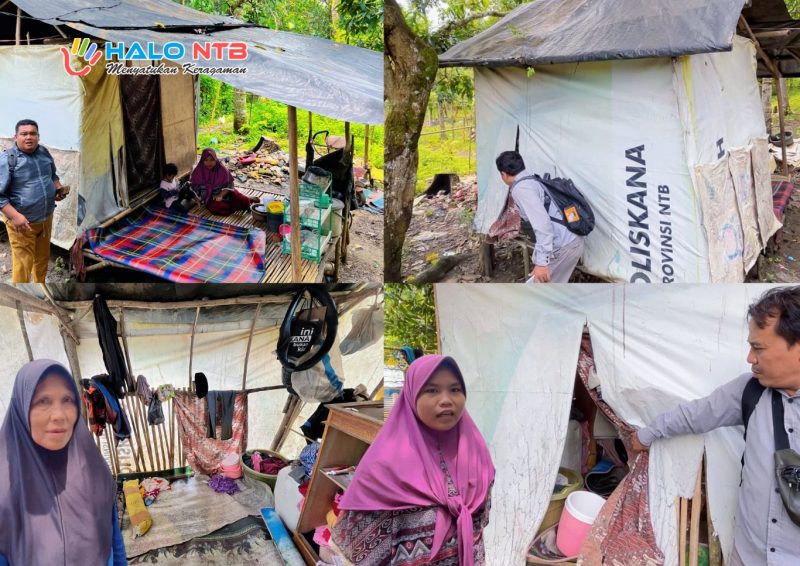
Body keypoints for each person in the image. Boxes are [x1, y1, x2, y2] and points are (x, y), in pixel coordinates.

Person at [630, 287, 800, 565]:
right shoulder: (751, 392)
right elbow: (696, 413)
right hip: (749, 556)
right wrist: (645, 435)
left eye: (759, 348)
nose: (749, 358)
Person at [331, 355, 495, 565]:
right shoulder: (384, 467)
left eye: (455, 389)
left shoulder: (477, 457)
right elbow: (355, 547)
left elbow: (479, 524)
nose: (446, 399)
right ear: (412, 395)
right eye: (432, 390)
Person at [0, 359, 126, 566]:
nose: (58, 415)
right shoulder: (6, 487)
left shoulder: (92, 471)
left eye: (67, 399)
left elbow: (115, 543)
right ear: (21, 408)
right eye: (43, 401)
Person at [495, 151, 585, 283]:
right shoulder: (532, 180)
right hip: (571, 240)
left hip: (564, 245)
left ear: (503, 174)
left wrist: (542, 263)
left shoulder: (521, 188)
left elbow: (543, 224)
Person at [0, 119, 68, 283]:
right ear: (15, 137)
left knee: (42, 258)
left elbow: (52, 176)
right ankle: (22, 299)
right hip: (22, 223)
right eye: (24, 134)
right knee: (23, 265)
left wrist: (57, 189)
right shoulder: (7, 160)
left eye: (33, 133)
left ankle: (40, 291)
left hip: (45, 219)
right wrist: (16, 216)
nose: (28, 137)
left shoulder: (43, 152)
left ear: (38, 136)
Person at [189, 148, 258, 216]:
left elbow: (229, 186)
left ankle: (248, 199)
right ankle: (237, 204)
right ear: (202, 160)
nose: (209, 163)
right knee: (220, 208)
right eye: (206, 160)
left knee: (244, 201)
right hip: (210, 198)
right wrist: (198, 199)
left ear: (216, 159)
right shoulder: (198, 171)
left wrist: (221, 195)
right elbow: (194, 189)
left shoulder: (221, 169)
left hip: (224, 194)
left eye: (212, 160)